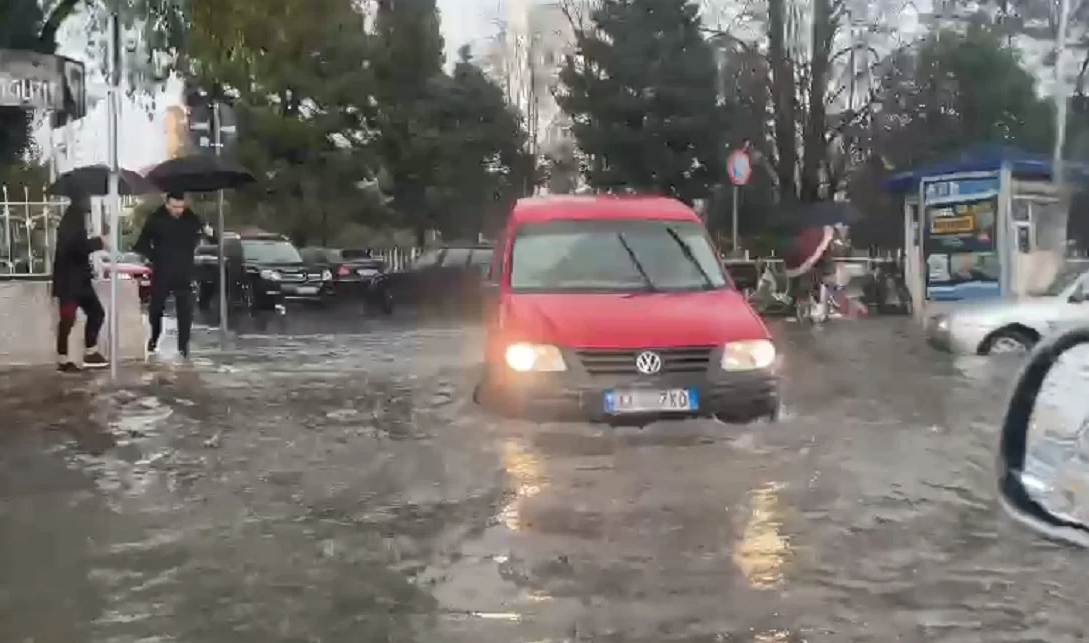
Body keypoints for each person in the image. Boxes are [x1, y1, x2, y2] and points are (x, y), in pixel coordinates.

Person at [134, 192, 213, 359]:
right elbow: (141, 245)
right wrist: (156, 257)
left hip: (184, 271)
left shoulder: (191, 219)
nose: (178, 210)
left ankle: (183, 347)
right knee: (156, 309)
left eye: (181, 207)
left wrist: (210, 232)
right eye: (175, 207)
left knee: (185, 311)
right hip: (162, 271)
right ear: (167, 204)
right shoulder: (156, 219)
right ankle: (155, 336)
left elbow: (212, 238)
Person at [51, 196, 109, 372]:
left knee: (96, 313)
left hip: (81, 280)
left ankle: (91, 352)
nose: (90, 203)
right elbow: (75, 247)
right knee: (67, 320)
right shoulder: (70, 220)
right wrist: (99, 242)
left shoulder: (78, 218)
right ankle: (62, 360)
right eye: (87, 199)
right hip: (69, 282)